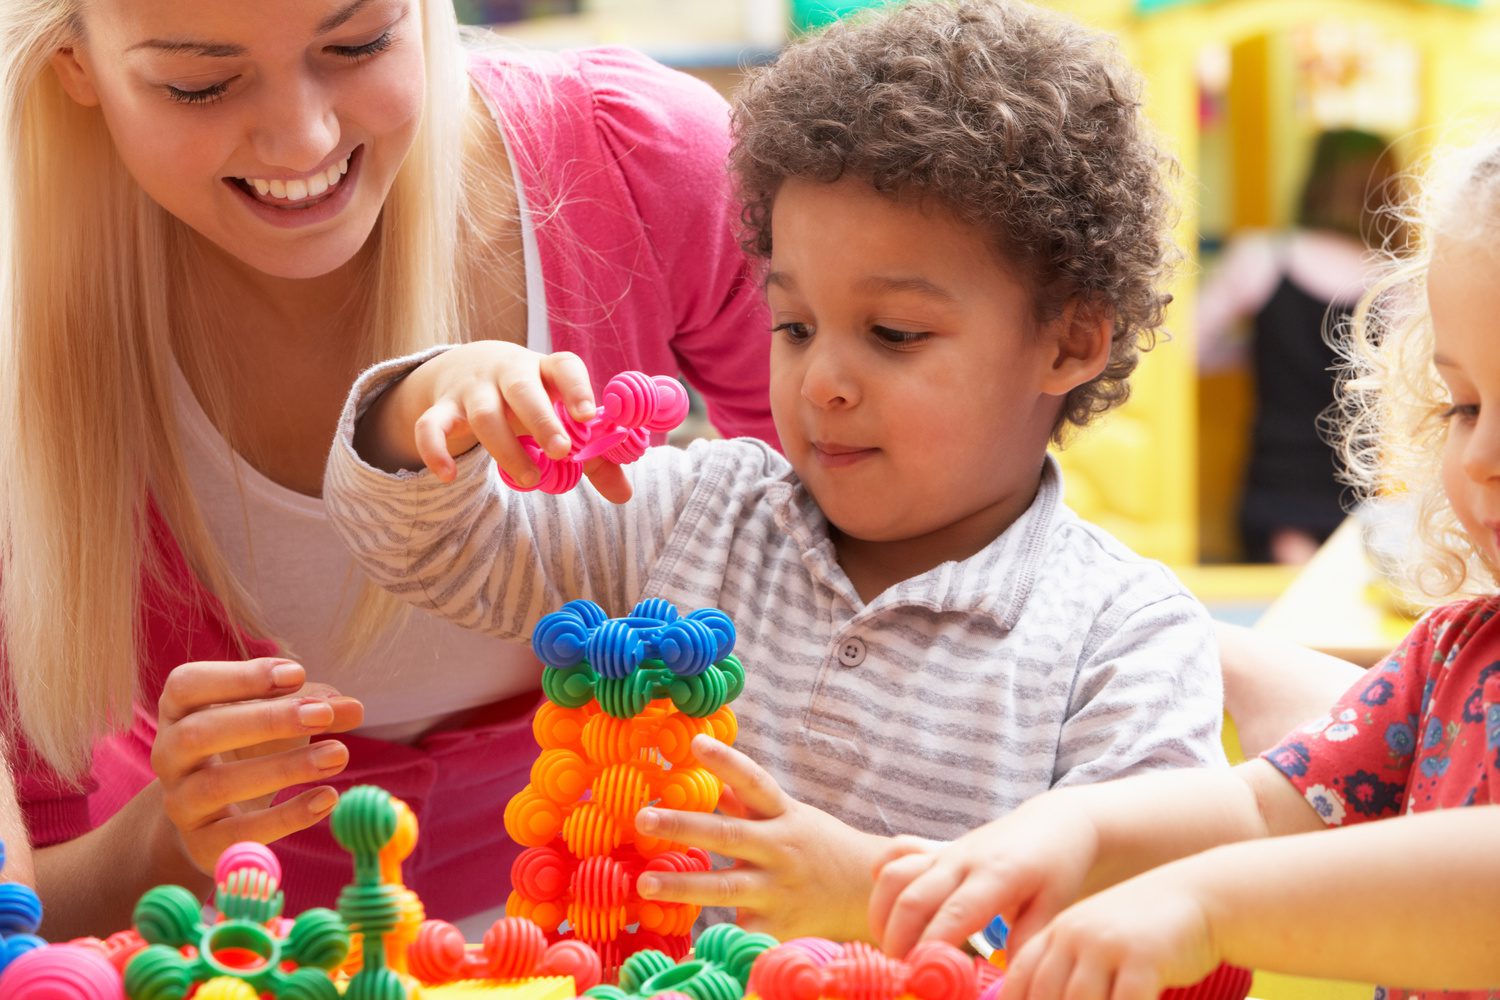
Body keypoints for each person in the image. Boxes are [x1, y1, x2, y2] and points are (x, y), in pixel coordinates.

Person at [324, 0, 1226, 943]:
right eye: (793, 327)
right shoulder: (697, 514)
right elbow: (432, 552)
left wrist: (875, 894)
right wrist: (431, 400)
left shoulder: (1123, 639)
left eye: (894, 335)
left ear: (1070, 340)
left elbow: (1153, 928)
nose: (823, 382)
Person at [0, 0, 777, 936]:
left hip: (642, 917)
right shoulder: (27, 326)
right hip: (230, 948)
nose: (303, 139)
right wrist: (162, 842)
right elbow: (31, 921)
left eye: (360, 42)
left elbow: (893, 535)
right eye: (200, 82)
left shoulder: (638, 167)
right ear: (75, 66)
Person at [869, 137, 1500, 998]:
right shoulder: (1454, 657)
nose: (1480, 455)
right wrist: (1074, 826)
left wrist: (1204, 904)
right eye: (1463, 404)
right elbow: (1261, 809)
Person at [1197, 129, 1404, 564]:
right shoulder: (1397, 282)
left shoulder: (1263, 258)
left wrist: (1259, 348)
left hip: (1276, 490)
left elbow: (1185, 347)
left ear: (1314, 181)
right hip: (1365, 493)